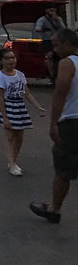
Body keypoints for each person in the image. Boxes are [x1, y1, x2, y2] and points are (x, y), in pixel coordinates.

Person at [32, 28, 78, 222]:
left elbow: (60, 93)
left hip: (71, 122)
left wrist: (53, 124)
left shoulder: (69, 63)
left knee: (63, 170)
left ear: (68, 44)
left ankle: (54, 210)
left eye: (57, 45)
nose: (55, 49)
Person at [0, 48, 45, 176]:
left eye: (13, 57)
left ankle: (13, 160)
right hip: (7, 106)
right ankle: (11, 164)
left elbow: (26, 93)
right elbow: (1, 97)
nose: (11, 60)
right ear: (1, 61)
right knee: (9, 135)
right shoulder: (1, 77)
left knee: (19, 136)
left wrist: (38, 107)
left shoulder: (20, 75)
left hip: (19, 107)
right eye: (7, 58)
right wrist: (4, 117)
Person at [35, 4, 66, 81]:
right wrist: (44, 29)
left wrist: (58, 20)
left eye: (54, 11)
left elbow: (64, 29)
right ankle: (52, 76)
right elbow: (38, 28)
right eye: (51, 11)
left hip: (58, 40)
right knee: (50, 56)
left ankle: (59, 73)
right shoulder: (42, 20)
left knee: (59, 57)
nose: (53, 13)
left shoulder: (58, 19)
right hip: (47, 40)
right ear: (47, 11)